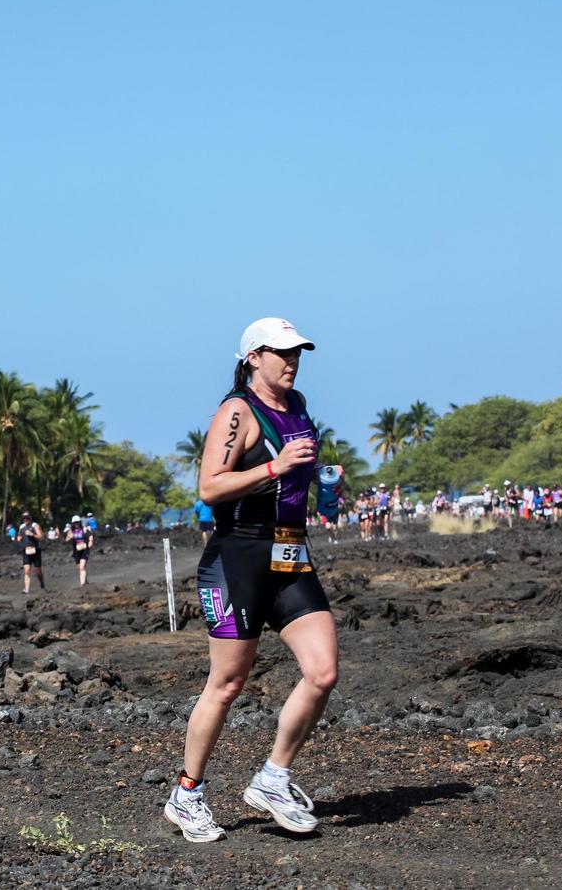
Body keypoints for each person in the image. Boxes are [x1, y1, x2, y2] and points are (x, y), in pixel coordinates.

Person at [166, 318, 336, 843]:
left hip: (290, 551)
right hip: (237, 554)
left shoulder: (299, 407)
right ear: (253, 358)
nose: (292, 361)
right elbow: (210, 486)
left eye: (298, 352)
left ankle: (273, 778)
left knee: (322, 672)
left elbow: (295, 475)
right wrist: (275, 467)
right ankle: (186, 793)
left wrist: (323, 486)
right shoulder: (236, 412)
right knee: (228, 684)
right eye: (282, 353)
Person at [18, 511, 44, 594]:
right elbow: (19, 536)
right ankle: (26, 589)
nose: (26, 520)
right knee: (27, 570)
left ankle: (41, 582)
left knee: (38, 571)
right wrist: (19, 538)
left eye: (27, 518)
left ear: (30, 518)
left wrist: (32, 534)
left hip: (35, 550)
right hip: (26, 550)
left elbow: (41, 537)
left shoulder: (35, 526)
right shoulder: (21, 527)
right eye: (24, 518)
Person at [65, 514, 93, 586]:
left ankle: (82, 584)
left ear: (80, 522)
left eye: (77, 522)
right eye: (74, 522)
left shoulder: (84, 529)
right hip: (76, 551)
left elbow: (90, 536)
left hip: (85, 550)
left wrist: (90, 542)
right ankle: (85, 580)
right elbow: (66, 540)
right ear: (72, 523)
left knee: (82, 567)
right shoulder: (71, 531)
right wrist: (70, 538)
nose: (76, 524)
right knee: (80, 568)